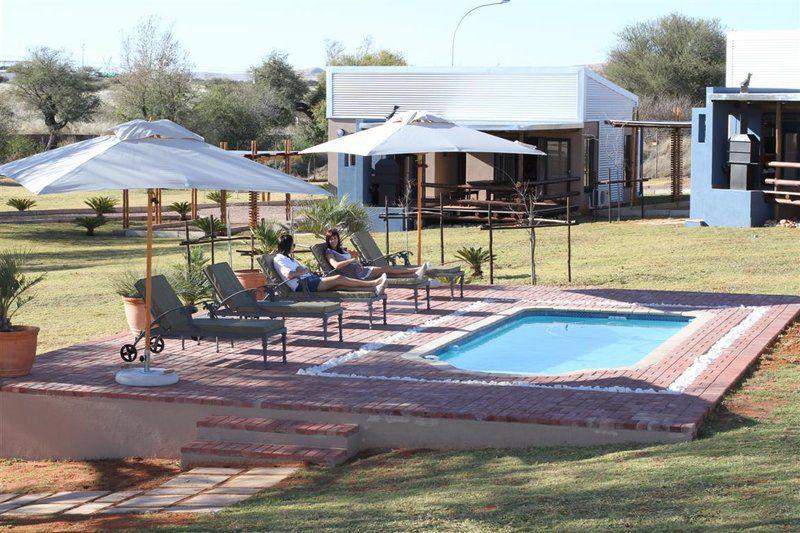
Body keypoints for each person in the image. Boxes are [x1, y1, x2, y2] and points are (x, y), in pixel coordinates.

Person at [274, 234, 388, 295]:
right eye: (293, 245)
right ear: (287, 246)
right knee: (339, 278)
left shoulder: (289, 259)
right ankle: (375, 282)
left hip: (309, 280)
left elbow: (301, 269)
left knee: (338, 286)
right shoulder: (279, 259)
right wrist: (302, 271)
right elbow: (289, 274)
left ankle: (374, 288)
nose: (294, 247)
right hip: (303, 285)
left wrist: (302, 270)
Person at [324, 228, 428, 280]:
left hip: (360, 269)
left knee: (387, 273)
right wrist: (352, 260)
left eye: (335, 238)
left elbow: (354, 259)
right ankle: (415, 270)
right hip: (357, 275)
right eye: (331, 239)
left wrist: (358, 261)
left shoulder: (341, 249)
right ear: (328, 241)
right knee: (386, 269)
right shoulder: (329, 252)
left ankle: (415, 275)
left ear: (338, 238)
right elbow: (336, 265)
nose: (333, 241)